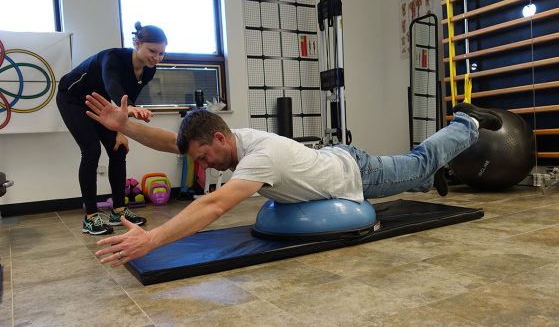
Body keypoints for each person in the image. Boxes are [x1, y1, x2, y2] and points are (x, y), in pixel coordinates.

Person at [84, 93, 501, 265]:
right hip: (332, 163)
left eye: (204, 156)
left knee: (419, 161)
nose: (203, 165)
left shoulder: (259, 157)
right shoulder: (230, 140)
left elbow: (213, 205)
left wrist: (151, 240)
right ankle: (433, 177)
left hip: (356, 174)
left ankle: (467, 122)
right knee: (421, 173)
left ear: (217, 138)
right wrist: (127, 126)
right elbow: (175, 143)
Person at [57, 22, 167, 235]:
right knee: (91, 150)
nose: (156, 58)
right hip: (72, 99)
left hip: (102, 104)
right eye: (152, 51)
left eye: (162, 53)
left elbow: (126, 103)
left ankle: (118, 211)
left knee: (119, 148)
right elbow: (113, 86)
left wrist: (120, 132)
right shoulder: (113, 58)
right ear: (137, 43)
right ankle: (90, 217)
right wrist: (131, 108)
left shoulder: (148, 71)